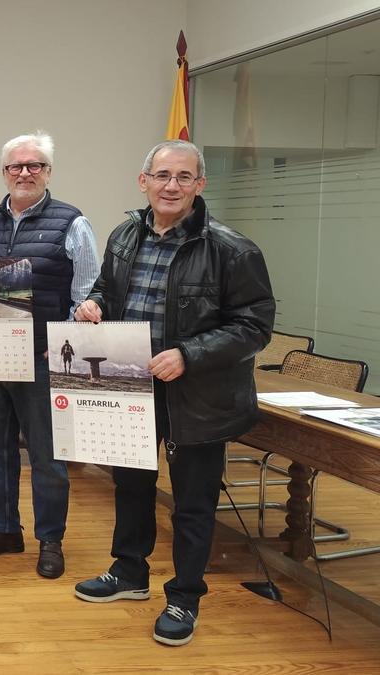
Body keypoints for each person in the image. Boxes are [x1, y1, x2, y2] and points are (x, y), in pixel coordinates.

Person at [72, 140, 274, 646]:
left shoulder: (232, 249)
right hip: (128, 385)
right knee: (132, 487)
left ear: (200, 185)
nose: (172, 186)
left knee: (192, 503)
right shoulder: (123, 235)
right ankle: (130, 573)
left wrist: (189, 353)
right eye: (162, 175)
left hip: (199, 396)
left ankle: (184, 597)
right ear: (144, 181)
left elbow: (254, 325)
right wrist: (93, 305)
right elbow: (106, 289)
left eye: (184, 177)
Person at [0, 132, 100, 579]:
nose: (24, 173)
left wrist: (88, 312)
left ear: (48, 172)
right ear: (4, 172)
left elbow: (88, 291)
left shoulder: (72, 223)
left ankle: (50, 541)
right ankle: (4, 530)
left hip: (41, 358)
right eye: (15, 166)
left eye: (34, 165)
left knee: (47, 456)